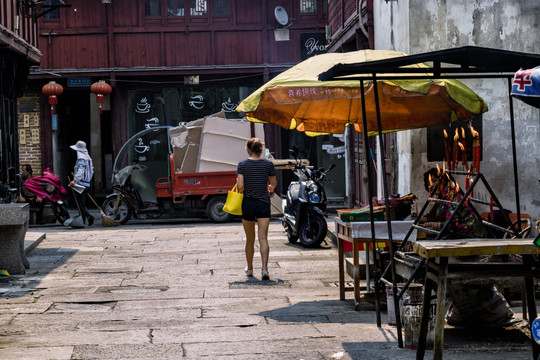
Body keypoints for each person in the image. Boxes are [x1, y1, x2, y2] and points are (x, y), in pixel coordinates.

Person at [236, 138, 277, 280]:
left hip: (248, 204)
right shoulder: (268, 164)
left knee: (250, 239)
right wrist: (270, 187)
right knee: (263, 238)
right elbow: (273, 183)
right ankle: (265, 269)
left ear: (248, 149)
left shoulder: (242, 165)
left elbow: (240, 187)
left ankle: (250, 268)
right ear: (260, 149)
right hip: (263, 203)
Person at [68, 141, 95, 226]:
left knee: (80, 203)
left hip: (80, 184)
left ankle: (88, 216)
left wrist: (75, 180)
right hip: (86, 183)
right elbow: (91, 170)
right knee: (81, 203)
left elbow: (81, 170)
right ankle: (83, 220)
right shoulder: (88, 158)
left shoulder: (81, 159)